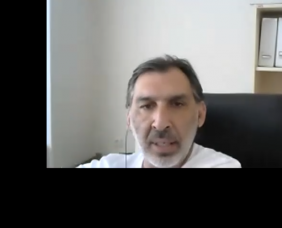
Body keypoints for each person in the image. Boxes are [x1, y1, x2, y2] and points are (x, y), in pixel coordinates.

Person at [79, 55, 240, 168]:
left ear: (200, 114)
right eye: (147, 106)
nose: (160, 124)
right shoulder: (108, 165)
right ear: (129, 119)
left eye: (177, 104)